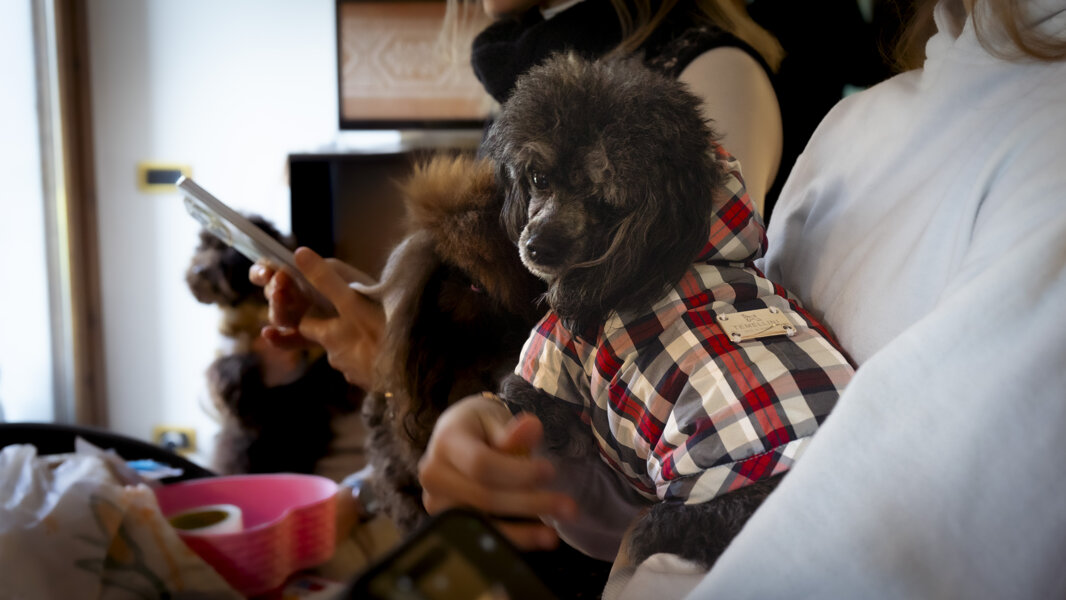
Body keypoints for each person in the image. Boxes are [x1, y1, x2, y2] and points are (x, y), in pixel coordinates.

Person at [423, 0, 1066, 597]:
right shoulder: (854, 128)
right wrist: (507, 432)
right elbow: (673, 436)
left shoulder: (1042, 163)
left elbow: (897, 548)